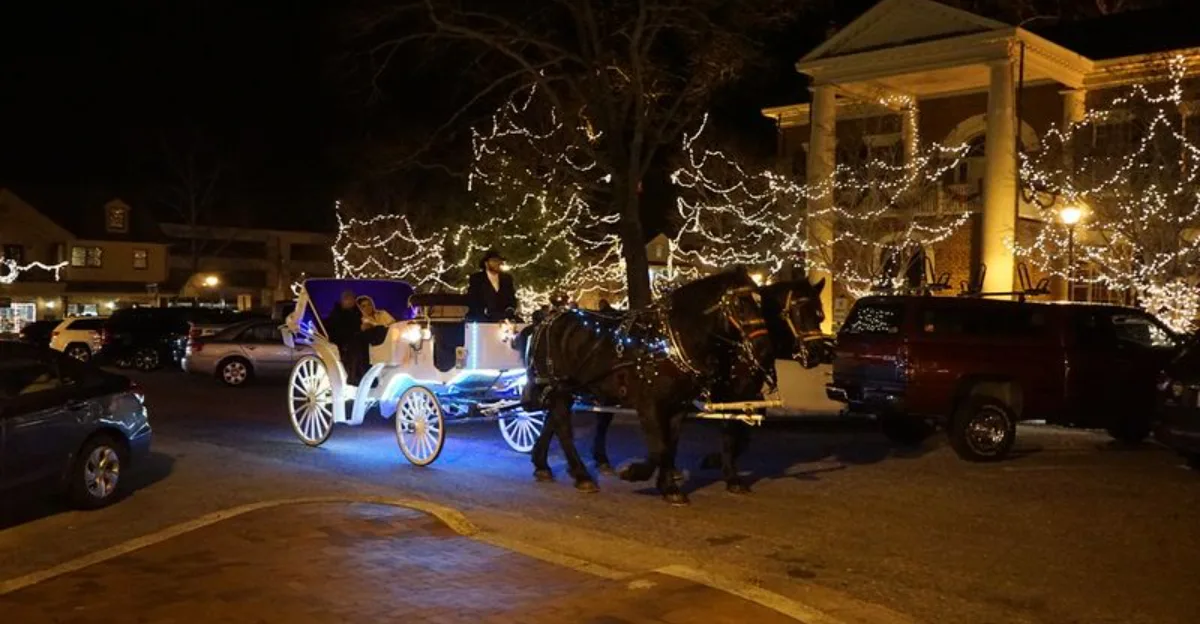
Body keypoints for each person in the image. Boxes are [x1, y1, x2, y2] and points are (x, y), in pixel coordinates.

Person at [466, 249, 519, 322]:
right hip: (482, 318)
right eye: (494, 261)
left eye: (499, 261)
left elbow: (512, 298)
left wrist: (510, 310)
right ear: (486, 263)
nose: (498, 263)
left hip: (504, 318)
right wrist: (482, 312)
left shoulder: (507, 278)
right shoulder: (477, 278)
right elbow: (472, 299)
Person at [325, 289, 364, 382]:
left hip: (357, 337)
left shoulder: (358, 312)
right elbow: (337, 330)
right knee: (356, 346)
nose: (350, 301)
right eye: (347, 299)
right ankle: (354, 376)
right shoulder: (336, 315)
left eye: (352, 299)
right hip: (342, 341)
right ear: (342, 300)